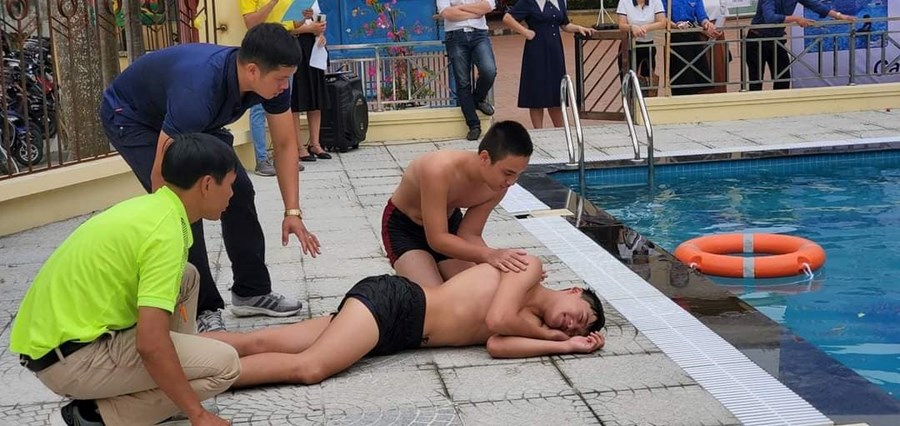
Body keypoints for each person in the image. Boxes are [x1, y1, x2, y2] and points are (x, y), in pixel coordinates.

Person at [100, 23, 321, 333]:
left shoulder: (271, 80)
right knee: (187, 202)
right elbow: (163, 174)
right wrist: (167, 218)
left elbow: (285, 145)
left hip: (191, 120)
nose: (285, 87)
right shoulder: (200, 88)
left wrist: (292, 212)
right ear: (253, 71)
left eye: (289, 78)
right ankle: (201, 308)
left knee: (238, 190)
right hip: (133, 117)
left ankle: (251, 292)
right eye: (281, 79)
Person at [10, 134, 242, 426]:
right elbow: (151, 344)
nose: (232, 194)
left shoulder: (155, 208)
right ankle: (92, 417)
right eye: (230, 184)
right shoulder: (164, 234)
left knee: (187, 277)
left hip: (53, 346)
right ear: (207, 184)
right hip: (72, 360)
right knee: (225, 365)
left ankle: (164, 392)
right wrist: (199, 414)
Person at [204, 256, 606, 387]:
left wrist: (565, 346)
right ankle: (184, 387)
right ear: (573, 290)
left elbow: (497, 344)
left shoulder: (525, 321)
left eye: (578, 330)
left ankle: (182, 353)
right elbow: (496, 317)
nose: (573, 326)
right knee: (309, 368)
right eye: (581, 317)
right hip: (396, 304)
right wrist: (552, 334)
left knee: (261, 342)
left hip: (396, 332)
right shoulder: (528, 268)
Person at [382, 120, 533, 288]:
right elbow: (437, 239)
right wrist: (489, 254)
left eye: (518, 174)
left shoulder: (498, 186)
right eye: (508, 173)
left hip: (448, 227)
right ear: (484, 158)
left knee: (480, 288)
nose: (511, 182)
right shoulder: (438, 169)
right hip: (405, 228)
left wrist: (509, 266)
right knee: (434, 298)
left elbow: (470, 235)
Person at [503, 0, 595, 128]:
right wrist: (525, 32)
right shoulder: (529, 2)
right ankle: (538, 131)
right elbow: (508, 18)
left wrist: (579, 28)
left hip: (555, 50)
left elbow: (565, 24)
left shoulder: (559, 1)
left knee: (556, 91)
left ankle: (560, 129)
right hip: (536, 50)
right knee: (536, 91)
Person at [239, 0, 298, 176]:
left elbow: (292, 24)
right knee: (258, 108)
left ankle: (284, 159)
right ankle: (262, 159)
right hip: (263, 54)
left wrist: (304, 19)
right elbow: (251, 23)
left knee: (282, 105)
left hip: (284, 53)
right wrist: (273, 2)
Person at [746, 0, 855, 91]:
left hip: (776, 40)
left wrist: (839, 16)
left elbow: (816, 5)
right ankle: (755, 108)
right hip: (757, 40)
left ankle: (781, 106)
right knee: (756, 79)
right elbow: (770, 17)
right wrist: (796, 19)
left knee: (783, 78)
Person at [437, 0, 498, 141]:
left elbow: (489, 5)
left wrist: (460, 8)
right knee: (463, 82)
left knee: (489, 70)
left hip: (479, 34)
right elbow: (447, 13)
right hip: (455, 36)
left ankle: (478, 99)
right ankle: (473, 125)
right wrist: (475, 11)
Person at [290, 1, 333, 163]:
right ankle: (298, 146)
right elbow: (286, 27)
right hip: (294, 45)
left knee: (316, 96)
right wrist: (310, 29)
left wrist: (320, 34)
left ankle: (315, 143)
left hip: (313, 48)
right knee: (295, 98)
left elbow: (318, 22)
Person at [666, 0, 721, 95]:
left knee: (698, 77)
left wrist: (707, 24)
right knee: (681, 78)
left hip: (692, 34)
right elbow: (663, 18)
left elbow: (701, 16)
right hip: (675, 35)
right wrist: (675, 25)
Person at [616, 0, 666, 82]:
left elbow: (662, 22)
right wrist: (632, 27)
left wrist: (646, 27)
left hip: (648, 45)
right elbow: (621, 25)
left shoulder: (656, 1)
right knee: (628, 81)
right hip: (628, 46)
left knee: (648, 81)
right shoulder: (624, 1)